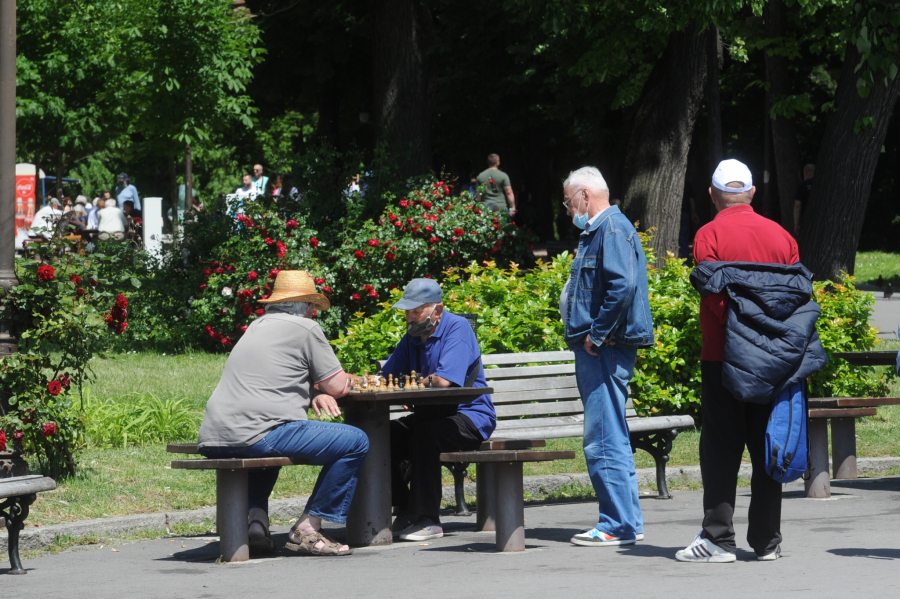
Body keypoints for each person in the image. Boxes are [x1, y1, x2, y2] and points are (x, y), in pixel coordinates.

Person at [676, 159, 817, 563]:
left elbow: (714, 298)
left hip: (724, 356)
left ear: (712, 194)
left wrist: (742, 335)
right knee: (765, 442)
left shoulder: (708, 234)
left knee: (720, 446)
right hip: (777, 360)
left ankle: (719, 539)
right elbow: (794, 298)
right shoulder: (781, 236)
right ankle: (767, 541)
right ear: (753, 192)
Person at [198, 271, 368, 556]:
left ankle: (256, 522)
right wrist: (353, 380)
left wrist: (315, 389)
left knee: (270, 446)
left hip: (216, 433)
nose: (314, 312)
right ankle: (309, 528)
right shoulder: (306, 328)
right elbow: (337, 385)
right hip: (258, 432)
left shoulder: (257, 325)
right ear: (307, 306)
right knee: (355, 441)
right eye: (313, 306)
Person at [561, 166, 654, 547]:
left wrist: (596, 335)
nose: (569, 211)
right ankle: (627, 520)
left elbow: (622, 286)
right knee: (611, 434)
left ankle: (616, 524)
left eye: (569, 203)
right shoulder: (604, 229)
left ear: (585, 194)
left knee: (601, 437)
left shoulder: (610, 229)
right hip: (603, 346)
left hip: (603, 347)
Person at [384, 279, 496, 542]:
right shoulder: (411, 337)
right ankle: (409, 506)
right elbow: (388, 376)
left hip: (470, 416)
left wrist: (412, 384)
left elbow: (444, 381)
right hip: (431, 415)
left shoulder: (457, 327)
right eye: (407, 312)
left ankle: (429, 521)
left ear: (437, 309)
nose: (410, 317)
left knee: (425, 437)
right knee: (379, 436)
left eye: (416, 311)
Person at [679, 181, 699, 260]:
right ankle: (685, 262)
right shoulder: (686, 184)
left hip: (679, 213)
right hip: (684, 213)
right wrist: (693, 213)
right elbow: (691, 200)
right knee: (684, 239)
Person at [793, 163, 814, 237]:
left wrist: (796, 223)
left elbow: (797, 205)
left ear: (805, 173)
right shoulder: (820, 185)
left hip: (806, 219)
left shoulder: (802, 186)